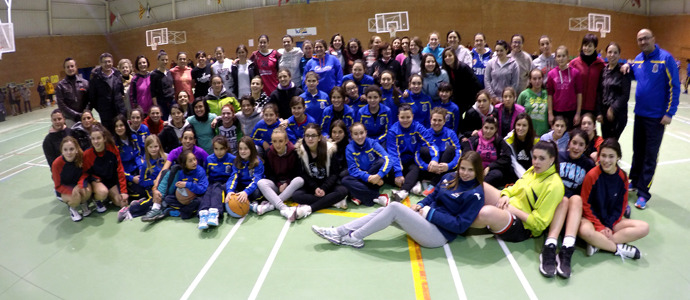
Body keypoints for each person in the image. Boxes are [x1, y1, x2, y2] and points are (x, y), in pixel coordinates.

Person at [312, 151, 485, 249]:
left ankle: (355, 237)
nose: (464, 173)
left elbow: (460, 225)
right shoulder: (449, 177)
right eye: (462, 168)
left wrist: (429, 213)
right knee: (384, 210)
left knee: (394, 207)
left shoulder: (476, 194)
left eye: (470, 170)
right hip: (425, 219)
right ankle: (340, 232)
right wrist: (421, 205)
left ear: (477, 171)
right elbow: (433, 195)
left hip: (438, 235)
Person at [471, 141, 564, 274]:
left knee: (487, 213)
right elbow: (516, 186)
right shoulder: (533, 170)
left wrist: (512, 210)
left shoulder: (555, 186)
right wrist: (505, 195)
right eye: (535, 157)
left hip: (523, 227)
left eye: (541, 158)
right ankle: (452, 210)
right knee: (481, 186)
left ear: (552, 159)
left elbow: (539, 224)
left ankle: (457, 224)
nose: (536, 162)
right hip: (509, 205)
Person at [628, 29, 680, 210]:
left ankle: (643, 193)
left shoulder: (666, 59)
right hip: (639, 114)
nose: (642, 42)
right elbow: (633, 72)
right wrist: (626, 65)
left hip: (656, 118)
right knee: (637, 151)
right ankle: (634, 181)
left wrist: (669, 113)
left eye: (645, 39)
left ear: (653, 39)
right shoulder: (638, 59)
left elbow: (675, 87)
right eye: (639, 39)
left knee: (650, 156)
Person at [579, 138, 649, 259]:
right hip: (592, 220)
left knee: (644, 227)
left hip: (611, 222)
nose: (606, 160)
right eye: (603, 156)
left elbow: (621, 206)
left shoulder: (622, 178)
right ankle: (617, 248)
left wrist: (609, 226)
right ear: (599, 156)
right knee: (584, 231)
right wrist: (600, 227)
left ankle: (599, 244)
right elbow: (585, 204)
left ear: (618, 157)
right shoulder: (592, 175)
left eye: (611, 156)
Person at [144, 127, 208, 221]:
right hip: (182, 185)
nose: (188, 141)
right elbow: (164, 171)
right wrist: (155, 188)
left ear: (194, 141)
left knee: (198, 202)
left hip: (196, 185)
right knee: (172, 170)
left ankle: (172, 209)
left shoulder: (200, 153)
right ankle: (157, 206)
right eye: (185, 138)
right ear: (181, 139)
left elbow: (212, 163)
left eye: (191, 139)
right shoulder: (175, 152)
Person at [291, 124, 348, 219]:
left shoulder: (329, 149)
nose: (310, 139)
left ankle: (310, 208)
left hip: (327, 185)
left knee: (343, 191)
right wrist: (315, 188)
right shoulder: (300, 151)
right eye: (307, 136)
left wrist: (324, 188)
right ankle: (331, 201)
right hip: (312, 186)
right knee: (296, 195)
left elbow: (334, 173)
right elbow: (302, 173)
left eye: (313, 136)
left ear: (319, 137)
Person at [388, 104, 439, 201]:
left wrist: (435, 160)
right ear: (398, 117)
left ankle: (403, 192)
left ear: (413, 116)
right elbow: (393, 154)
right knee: (388, 174)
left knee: (416, 168)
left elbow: (431, 144)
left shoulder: (418, 127)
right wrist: (398, 173)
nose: (405, 120)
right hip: (398, 162)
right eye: (402, 117)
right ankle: (413, 183)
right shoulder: (393, 131)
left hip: (413, 161)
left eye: (408, 117)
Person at [79, 124, 129, 213]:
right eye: (93, 139)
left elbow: (120, 170)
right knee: (102, 193)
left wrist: (123, 191)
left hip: (110, 181)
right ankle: (96, 198)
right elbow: (84, 173)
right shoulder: (87, 154)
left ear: (104, 138)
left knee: (121, 203)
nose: (96, 141)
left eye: (98, 138)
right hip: (97, 182)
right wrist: (94, 178)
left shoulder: (113, 149)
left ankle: (109, 196)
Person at [256, 128, 303, 220]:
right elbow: (269, 173)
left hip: (290, 185)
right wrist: (279, 184)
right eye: (274, 141)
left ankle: (270, 205)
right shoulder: (269, 152)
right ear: (271, 141)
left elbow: (297, 172)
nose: (277, 144)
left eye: (280, 141)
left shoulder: (294, 152)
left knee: (300, 180)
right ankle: (283, 208)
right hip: (276, 184)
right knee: (261, 182)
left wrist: (286, 183)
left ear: (286, 141)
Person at [155, 150, 208, 221]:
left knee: (198, 202)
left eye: (194, 159)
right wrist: (177, 186)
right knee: (168, 199)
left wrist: (187, 184)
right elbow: (176, 189)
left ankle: (179, 212)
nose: (194, 162)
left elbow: (203, 189)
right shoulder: (181, 173)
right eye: (190, 161)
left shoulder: (200, 171)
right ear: (185, 164)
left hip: (196, 197)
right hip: (185, 198)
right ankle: (185, 210)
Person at [461, 116, 512, 188]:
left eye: (491, 128)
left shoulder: (499, 141)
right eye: (486, 128)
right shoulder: (474, 139)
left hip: (490, 171)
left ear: (496, 129)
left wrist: (489, 167)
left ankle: (478, 187)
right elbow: (466, 155)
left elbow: (506, 158)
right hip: (474, 168)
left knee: (497, 174)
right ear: (482, 127)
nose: (488, 131)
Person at [125, 135, 167, 220]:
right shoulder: (146, 164)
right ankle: (131, 209)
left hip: (165, 186)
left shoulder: (166, 158)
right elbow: (142, 181)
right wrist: (153, 182)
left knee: (166, 200)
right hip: (151, 188)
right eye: (150, 147)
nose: (153, 149)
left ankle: (157, 209)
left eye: (155, 146)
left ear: (159, 146)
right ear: (147, 148)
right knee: (153, 200)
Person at [198, 136, 235, 229]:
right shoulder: (209, 159)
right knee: (208, 191)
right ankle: (203, 215)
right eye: (216, 149)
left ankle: (215, 213)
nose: (219, 152)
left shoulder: (232, 159)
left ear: (226, 148)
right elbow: (205, 175)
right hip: (212, 183)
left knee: (217, 187)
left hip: (225, 185)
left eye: (221, 149)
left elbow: (234, 176)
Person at [52, 136, 93, 221]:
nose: (69, 153)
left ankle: (83, 203)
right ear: (62, 151)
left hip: (77, 184)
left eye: (71, 149)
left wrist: (80, 185)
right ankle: (72, 208)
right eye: (65, 150)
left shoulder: (81, 158)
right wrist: (72, 191)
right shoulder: (57, 164)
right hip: (63, 188)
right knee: (75, 197)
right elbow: (58, 185)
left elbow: (85, 173)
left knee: (87, 191)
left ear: (76, 149)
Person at [598, 42, 632, 140]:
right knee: (605, 141)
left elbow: (625, 95)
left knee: (612, 143)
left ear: (619, 55)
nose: (612, 55)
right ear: (606, 54)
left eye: (615, 52)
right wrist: (599, 112)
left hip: (618, 115)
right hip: (604, 116)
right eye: (610, 52)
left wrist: (613, 109)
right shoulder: (603, 71)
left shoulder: (623, 72)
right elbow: (599, 92)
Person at [225, 137, 265, 217]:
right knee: (229, 191)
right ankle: (244, 203)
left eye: (246, 149)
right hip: (242, 186)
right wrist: (230, 191)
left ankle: (247, 203)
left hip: (253, 187)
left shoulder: (257, 162)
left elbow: (256, 180)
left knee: (257, 193)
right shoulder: (237, 161)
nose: (243, 151)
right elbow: (233, 178)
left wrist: (246, 192)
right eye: (240, 149)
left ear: (251, 149)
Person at [425, 107, 462, 188]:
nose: (436, 123)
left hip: (445, 166)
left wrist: (449, 165)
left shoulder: (450, 133)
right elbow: (418, 153)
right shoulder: (426, 134)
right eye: (434, 120)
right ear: (430, 120)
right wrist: (427, 166)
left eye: (440, 120)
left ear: (444, 121)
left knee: (451, 149)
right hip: (431, 167)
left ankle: (434, 183)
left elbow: (458, 152)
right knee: (423, 150)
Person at [569, 34, 605, 115]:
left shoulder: (601, 64)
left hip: (592, 107)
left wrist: (625, 66)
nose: (587, 48)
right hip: (576, 106)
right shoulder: (574, 63)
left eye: (590, 46)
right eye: (585, 45)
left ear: (595, 47)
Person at [87, 53, 125, 132]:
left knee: (121, 132)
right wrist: (102, 108)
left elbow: (121, 91)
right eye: (105, 62)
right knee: (109, 134)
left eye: (109, 62)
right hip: (105, 114)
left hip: (119, 111)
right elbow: (92, 97)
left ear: (112, 62)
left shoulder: (118, 74)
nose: (107, 64)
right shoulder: (95, 78)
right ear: (100, 63)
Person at [547, 46, 583, 129]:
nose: (561, 58)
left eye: (563, 56)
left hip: (571, 112)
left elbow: (579, 94)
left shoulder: (575, 73)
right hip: (557, 111)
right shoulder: (551, 74)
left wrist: (578, 113)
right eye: (559, 56)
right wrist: (550, 113)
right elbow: (550, 95)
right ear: (555, 58)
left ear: (568, 57)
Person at [441, 48, 481, 114]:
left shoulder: (463, 67)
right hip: (456, 100)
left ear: (454, 56)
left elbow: (476, 84)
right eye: (445, 56)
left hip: (468, 100)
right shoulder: (446, 70)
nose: (447, 58)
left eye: (450, 55)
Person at [113, 115, 143, 200]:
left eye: (121, 125)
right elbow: (118, 168)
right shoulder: (114, 144)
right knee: (140, 193)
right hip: (125, 175)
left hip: (136, 169)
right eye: (116, 126)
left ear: (126, 126)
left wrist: (141, 168)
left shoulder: (133, 137)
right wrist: (131, 178)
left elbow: (137, 155)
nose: (119, 128)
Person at [504, 113, 539, 181]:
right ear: (515, 126)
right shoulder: (508, 141)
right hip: (515, 174)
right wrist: (525, 178)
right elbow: (514, 164)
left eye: (524, 125)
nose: (520, 128)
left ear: (529, 127)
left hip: (533, 173)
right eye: (518, 125)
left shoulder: (536, 141)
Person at [518, 69, 549, 136]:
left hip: (544, 133)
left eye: (539, 78)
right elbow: (518, 115)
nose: (537, 81)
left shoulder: (547, 94)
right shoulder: (524, 94)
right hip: (527, 133)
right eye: (534, 79)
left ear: (543, 79)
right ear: (530, 80)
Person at [150, 50, 176, 120]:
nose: (165, 62)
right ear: (158, 60)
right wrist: (156, 106)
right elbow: (153, 92)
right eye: (162, 60)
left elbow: (171, 86)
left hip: (172, 102)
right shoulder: (154, 74)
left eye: (166, 60)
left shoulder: (169, 72)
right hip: (161, 103)